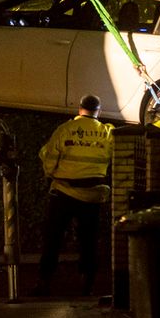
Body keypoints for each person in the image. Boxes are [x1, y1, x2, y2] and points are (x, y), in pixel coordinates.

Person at [32, 94, 114, 297]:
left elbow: (50, 160)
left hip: (63, 193)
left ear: (79, 109)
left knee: (53, 239)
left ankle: (44, 282)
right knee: (89, 241)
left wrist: (49, 175)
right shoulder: (107, 132)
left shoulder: (65, 129)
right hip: (92, 196)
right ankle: (87, 284)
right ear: (99, 112)